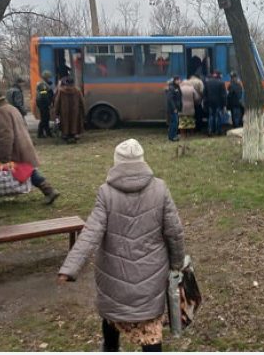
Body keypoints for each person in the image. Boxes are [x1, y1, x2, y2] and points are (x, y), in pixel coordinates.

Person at [57, 139, 185, 352]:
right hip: (151, 277)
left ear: (116, 163)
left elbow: (90, 233)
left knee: (112, 316)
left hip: (113, 275)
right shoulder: (160, 189)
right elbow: (175, 231)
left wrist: (69, 268)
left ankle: (110, 348)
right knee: (150, 328)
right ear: (142, 161)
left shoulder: (106, 193)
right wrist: (177, 262)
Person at [0, 89, 59, 207]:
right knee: (28, 170)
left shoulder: (0, 111)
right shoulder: (10, 108)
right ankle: (49, 191)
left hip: (11, 149)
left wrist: (4, 157)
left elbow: (5, 135)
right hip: (20, 146)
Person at [52, 77, 85, 144]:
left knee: (65, 122)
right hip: (75, 110)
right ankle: (74, 134)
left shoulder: (61, 91)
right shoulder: (77, 90)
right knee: (74, 122)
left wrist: (56, 112)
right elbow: (82, 102)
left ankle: (65, 134)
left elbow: (57, 102)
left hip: (64, 111)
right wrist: (83, 111)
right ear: (73, 83)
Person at [203, 70, 227, 136]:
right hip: (218, 103)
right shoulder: (221, 83)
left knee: (211, 116)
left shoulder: (207, 83)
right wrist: (224, 104)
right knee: (218, 116)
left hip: (210, 102)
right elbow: (223, 95)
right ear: (218, 75)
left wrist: (205, 102)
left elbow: (204, 94)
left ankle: (210, 131)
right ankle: (218, 131)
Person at [35, 70, 55, 138]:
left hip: (43, 103)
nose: (49, 78)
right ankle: (40, 133)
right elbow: (44, 95)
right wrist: (49, 103)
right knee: (44, 118)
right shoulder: (42, 84)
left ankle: (47, 132)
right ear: (45, 77)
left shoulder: (43, 83)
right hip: (43, 103)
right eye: (48, 77)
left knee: (46, 118)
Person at [165, 76, 182, 142]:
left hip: (175, 108)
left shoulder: (176, 87)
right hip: (172, 109)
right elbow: (170, 99)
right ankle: (172, 136)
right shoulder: (172, 88)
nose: (179, 81)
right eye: (178, 80)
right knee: (175, 122)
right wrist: (174, 108)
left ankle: (171, 136)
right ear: (175, 81)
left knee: (174, 122)